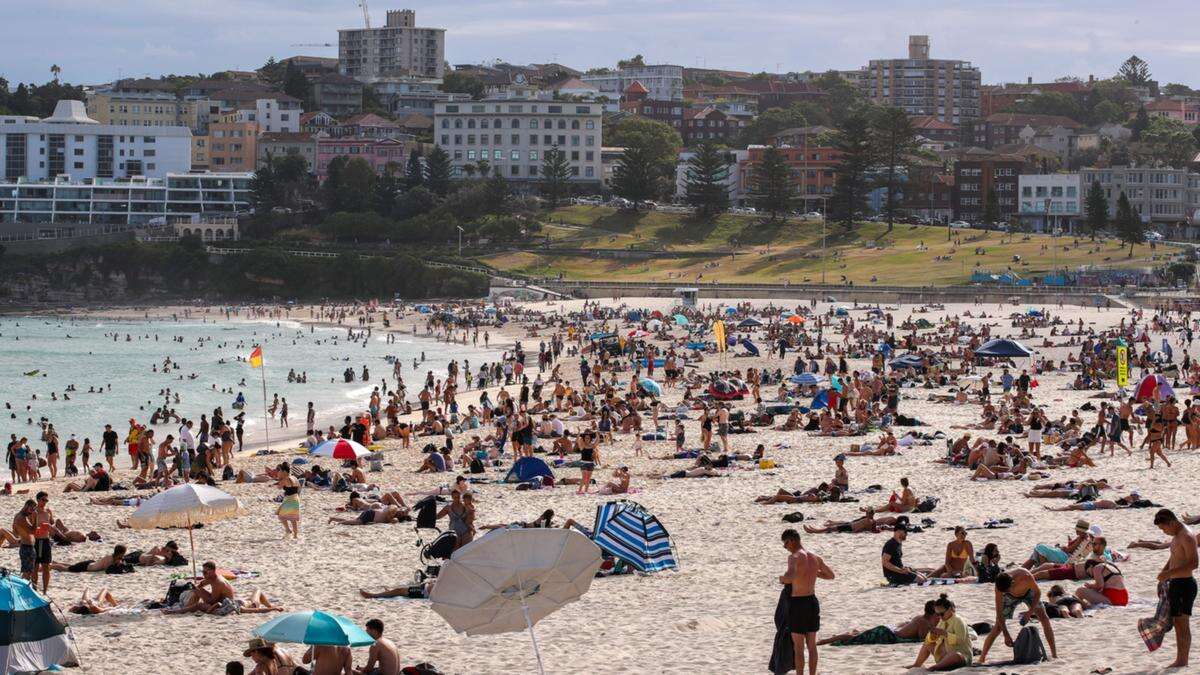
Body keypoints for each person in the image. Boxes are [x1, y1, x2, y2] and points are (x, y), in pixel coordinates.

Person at [779, 529, 834, 675]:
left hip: (798, 603)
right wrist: (813, 573)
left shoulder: (794, 557)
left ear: (792, 540)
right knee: (811, 645)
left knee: (798, 647)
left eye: (785, 544)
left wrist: (782, 579)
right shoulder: (815, 557)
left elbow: (790, 577)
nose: (786, 548)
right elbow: (830, 575)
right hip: (812, 601)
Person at [978, 568, 1057, 663]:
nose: (1006, 592)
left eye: (1008, 590)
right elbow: (999, 613)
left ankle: (1054, 654)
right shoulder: (1000, 587)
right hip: (1010, 599)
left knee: (1044, 619)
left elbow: (1038, 593)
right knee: (998, 627)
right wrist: (1006, 634)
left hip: (1028, 593)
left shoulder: (1025, 577)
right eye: (1004, 591)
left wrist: (1029, 612)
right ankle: (982, 658)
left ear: (1013, 582)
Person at [1154, 508, 1198, 667]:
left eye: (1163, 528)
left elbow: (1194, 563)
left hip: (1185, 584)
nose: (1164, 532)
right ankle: (1180, 659)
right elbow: (1174, 557)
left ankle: (1183, 660)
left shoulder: (1186, 536)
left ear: (1171, 522)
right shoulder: (1176, 536)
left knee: (1183, 623)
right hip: (1175, 583)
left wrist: (1169, 574)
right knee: (1178, 624)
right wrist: (1164, 573)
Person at [818, 600, 937, 646]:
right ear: (933, 614)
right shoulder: (924, 622)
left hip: (888, 630)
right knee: (853, 639)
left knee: (857, 634)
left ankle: (842, 635)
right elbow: (922, 639)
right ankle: (826, 641)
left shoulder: (920, 617)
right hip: (887, 634)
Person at [906, 594, 973, 670]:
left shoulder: (958, 621)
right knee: (927, 643)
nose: (940, 617)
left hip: (962, 656)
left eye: (942, 614)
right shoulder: (942, 621)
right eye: (937, 614)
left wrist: (945, 633)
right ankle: (917, 664)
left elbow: (961, 640)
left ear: (950, 609)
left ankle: (935, 667)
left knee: (955, 655)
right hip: (946, 654)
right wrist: (932, 635)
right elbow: (931, 640)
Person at [164, 560, 236, 615]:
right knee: (196, 589)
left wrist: (198, 591)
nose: (203, 574)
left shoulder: (218, 583)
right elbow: (201, 584)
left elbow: (212, 601)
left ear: (213, 571)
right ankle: (187, 607)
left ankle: (176, 611)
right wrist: (195, 589)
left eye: (205, 572)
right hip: (219, 601)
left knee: (199, 605)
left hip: (225, 606)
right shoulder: (212, 577)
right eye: (203, 572)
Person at [12, 499, 36, 586]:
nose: (32, 512)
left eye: (34, 510)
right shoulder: (22, 518)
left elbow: (14, 531)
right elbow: (33, 531)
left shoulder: (18, 516)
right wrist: (35, 517)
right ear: (26, 506)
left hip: (25, 546)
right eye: (31, 509)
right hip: (27, 547)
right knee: (27, 573)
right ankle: (21, 590)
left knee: (27, 572)